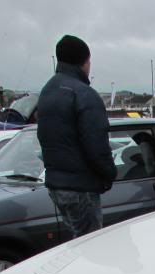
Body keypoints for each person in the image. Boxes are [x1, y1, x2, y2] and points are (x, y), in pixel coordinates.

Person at [37, 34, 116, 238]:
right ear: (84, 62)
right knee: (90, 247)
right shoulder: (84, 94)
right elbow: (96, 145)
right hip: (81, 187)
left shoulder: (47, 91)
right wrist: (109, 174)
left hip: (56, 184)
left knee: (75, 242)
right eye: (89, 61)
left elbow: (44, 136)